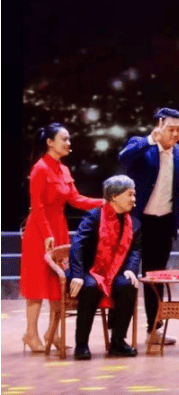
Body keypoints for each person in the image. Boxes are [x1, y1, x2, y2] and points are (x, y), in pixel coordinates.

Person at [21, 123, 104, 353]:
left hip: (59, 227)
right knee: (38, 281)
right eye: (64, 139)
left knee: (58, 282)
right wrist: (47, 234)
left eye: (69, 139)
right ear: (50, 142)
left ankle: (53, 333)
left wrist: (104, 202)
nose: (69, 143)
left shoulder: (64, 169)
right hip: (40, 230)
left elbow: (76, 199)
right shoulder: (40, 168)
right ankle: (30, 333)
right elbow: (37, 206)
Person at [118, 107, 179, 344]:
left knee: (155, 278)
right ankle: (118, 335)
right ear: (159, 126)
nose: (176, 134)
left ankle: (154, 330)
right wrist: (150, 140)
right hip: (137, 222)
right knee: (125, 277)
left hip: (164, 223)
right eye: (171, 129)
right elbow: (123, 158)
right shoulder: (141, 145)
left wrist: (175, 223)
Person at [66, 175, 142, 360]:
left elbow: (136, 250)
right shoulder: (93, 217)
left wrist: (130, 269)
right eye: (129, 194)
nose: (134, 199)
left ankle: (118, 342)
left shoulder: (134, 223)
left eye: (134, 194)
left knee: (127, 285)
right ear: (114, 196)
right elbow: (77, 246)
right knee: (90, 287)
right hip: (88, 270)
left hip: (116, 271)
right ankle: (81, 345)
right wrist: (77, 275)